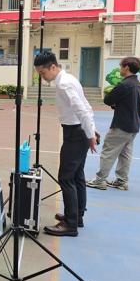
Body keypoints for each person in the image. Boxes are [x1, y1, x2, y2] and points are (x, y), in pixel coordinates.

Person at [34, 51, 99, 237]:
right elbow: (87, 106)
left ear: (53, 67)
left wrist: (90, 134)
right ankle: (77, 216)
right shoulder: (68, 79)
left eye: (42, 73)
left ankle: (70, 224)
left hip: (75, 134)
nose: (42, 77)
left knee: (66, 177)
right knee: (77, 175)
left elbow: (81, 109)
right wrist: (91, 130)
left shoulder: (64, 84)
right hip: (79, 131)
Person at [87, 57, 140, 191]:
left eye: (121, 66)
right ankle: (121, 181)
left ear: (126, 67)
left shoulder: (125, 85)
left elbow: (108, 99)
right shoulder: (137, 84)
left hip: (121, 125)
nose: (120, 69)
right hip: (134, 125)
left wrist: (115, 103)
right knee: (125, 154)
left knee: (109, 151)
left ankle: (100, 180)